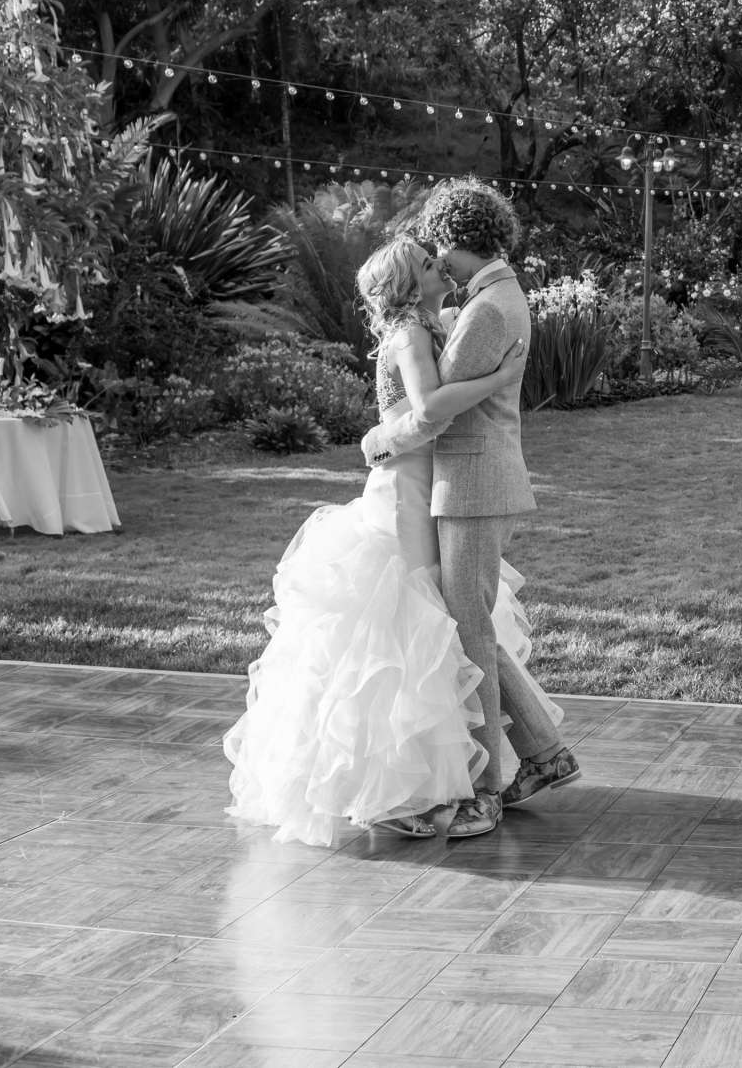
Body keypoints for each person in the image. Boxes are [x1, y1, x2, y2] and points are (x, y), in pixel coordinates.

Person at [226, 238, 537, 847]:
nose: (439, 266)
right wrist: (502, 377)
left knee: (425, 628)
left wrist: (382, 434)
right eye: (427, 265)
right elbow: (427, 413)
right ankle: (396, 786)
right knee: (401, 629)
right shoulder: (411, 334)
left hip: (421, 484)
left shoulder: (433, 322)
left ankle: (423, 781)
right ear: (408, 286)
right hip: (406, 492)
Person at [359, 181, 578, 839]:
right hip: (454, 484)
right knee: (467, 625)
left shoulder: (486, 310)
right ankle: (543, 754)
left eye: (438, 249)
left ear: (457, 241)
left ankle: (485, 789)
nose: (437, 260)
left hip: (472, 483)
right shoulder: (484, 302)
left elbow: (431, 409)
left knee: (468, 627)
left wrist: (379, 437)